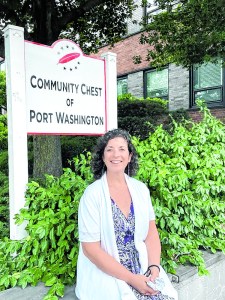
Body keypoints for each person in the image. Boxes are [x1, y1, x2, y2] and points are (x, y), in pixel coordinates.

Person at [75, 128, 178, 300]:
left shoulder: (140, 190)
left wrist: (154, 266)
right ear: (102, 156)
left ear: (130, 156)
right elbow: (90, 249)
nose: (116, 154)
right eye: (110, 149)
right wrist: (131, 279)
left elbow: (151, 234)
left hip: (141, 267)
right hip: (108, 273)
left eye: (122, 149)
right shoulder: (92, 195)